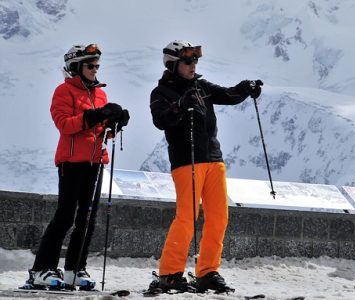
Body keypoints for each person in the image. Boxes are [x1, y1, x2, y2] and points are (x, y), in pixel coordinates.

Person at [149, 40, 263, 293]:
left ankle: (207, 272)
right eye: (188, 61)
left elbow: (229, 95)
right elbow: (160, 120)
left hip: (213, 159)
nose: (193, 65)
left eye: (195, 60)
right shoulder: (161, 92)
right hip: (186, 161)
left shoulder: (201, 86)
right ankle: (169, 274)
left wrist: (246, 88)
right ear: (173, 64)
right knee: (187, 219)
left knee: (218, 218)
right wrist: (180, 105)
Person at [23, 44, 129, 290]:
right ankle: (41, 269)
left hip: (95, 161)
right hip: (71, 162)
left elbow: (102, 132)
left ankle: (74, 269)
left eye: (97, 65)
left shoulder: (100, 94)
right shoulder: (64, 91)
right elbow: (64, 125)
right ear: (75, 67)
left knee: (87, 218)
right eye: (90, 65)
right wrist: (94, 116)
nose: (95, 69)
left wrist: (115, 123)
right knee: (65, 216)